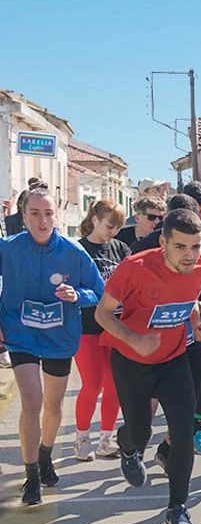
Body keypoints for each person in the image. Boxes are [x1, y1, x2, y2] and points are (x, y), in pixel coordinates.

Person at [96, 209, 201, 524]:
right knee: (140, 431)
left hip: (174, 359)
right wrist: (134, 339)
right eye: (180, 247)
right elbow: (102, 313)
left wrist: (195, 321)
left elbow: (189, 296)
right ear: (163, 242)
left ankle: (177, 511)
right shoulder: (134, 268)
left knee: (183, 431)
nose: (190, 255)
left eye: (196, 246)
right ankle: (128, 446)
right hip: (132, 361)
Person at [2, 189, 103, 505]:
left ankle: (46, 453)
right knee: (32, 401)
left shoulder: (74, 252)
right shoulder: (8, 249)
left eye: (47, 213)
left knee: (54, 406)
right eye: (34, 213)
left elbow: (97, 291)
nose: (42, 221)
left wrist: (78, 296)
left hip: (59, 335)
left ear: (56, 214)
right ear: (23, 215)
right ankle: (31, 475)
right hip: (22, 333)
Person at [73, 200, 131, 462]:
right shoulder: (78, 250)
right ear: (95, 220)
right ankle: (82, 439)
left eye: (118, 227)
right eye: (110, 226)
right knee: (92, 384)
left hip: (116, 327)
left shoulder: (120, 248)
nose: (114, 232)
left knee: (115, 385)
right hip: (87, 327)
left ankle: (106, 439)